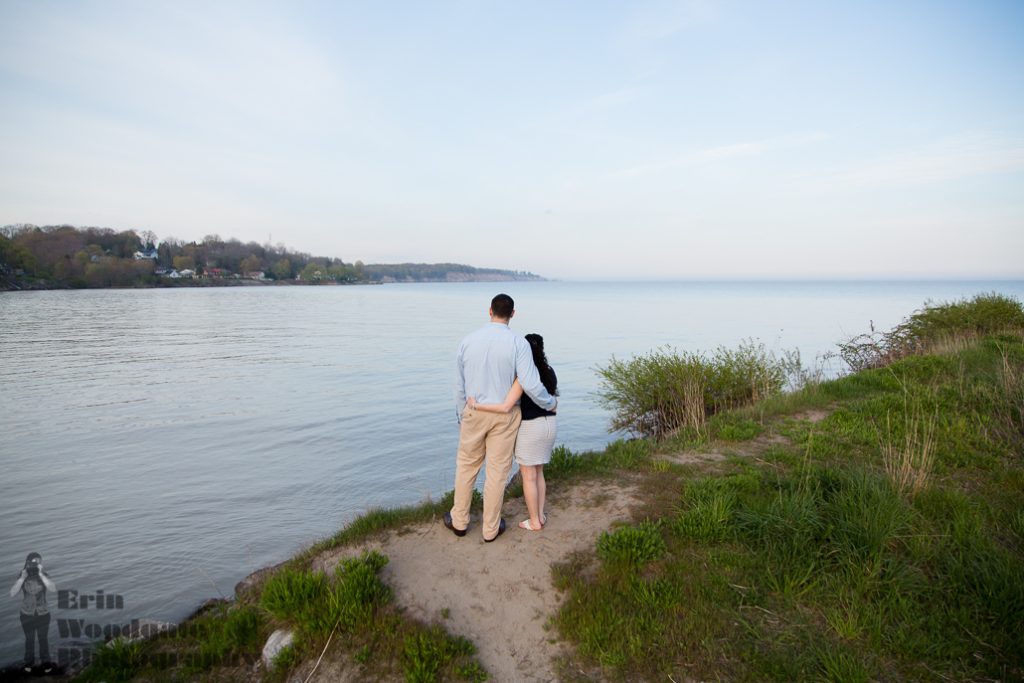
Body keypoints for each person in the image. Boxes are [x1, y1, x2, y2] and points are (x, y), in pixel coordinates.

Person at [447, 294, 557, 541]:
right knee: (497, 473)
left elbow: (459, 386)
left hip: (474, 412)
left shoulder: (467, 341)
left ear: (489, 311)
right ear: (513, 314)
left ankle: (460, 522)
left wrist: (461, 415)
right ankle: (490, 529)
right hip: (505, 416)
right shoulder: (518, 343)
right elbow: (530, 383)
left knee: (466, 468)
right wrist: (549, 403)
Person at [469, 333, 558, 532]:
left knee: (528, 476)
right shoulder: (549, 371)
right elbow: (550, 399)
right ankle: (540, 515)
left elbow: (505, 406)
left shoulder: (525, 376)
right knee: (539, 472)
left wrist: (477, 405)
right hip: (550, 425)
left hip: (531, 427)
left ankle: (534, 521)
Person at [10, 552, 56, 674]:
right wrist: (22, 578)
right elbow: (12, 593)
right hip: (26, 614)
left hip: (43, 614)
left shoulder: (44, 575)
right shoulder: (22, 576)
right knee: (29, 639)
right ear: (27, 563)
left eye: (38, 562)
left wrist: (41, 574)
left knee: (43, 639)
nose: (34, 566)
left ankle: (46, 663)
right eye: (32, 563)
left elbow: (52, 589)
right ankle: (29, 663)